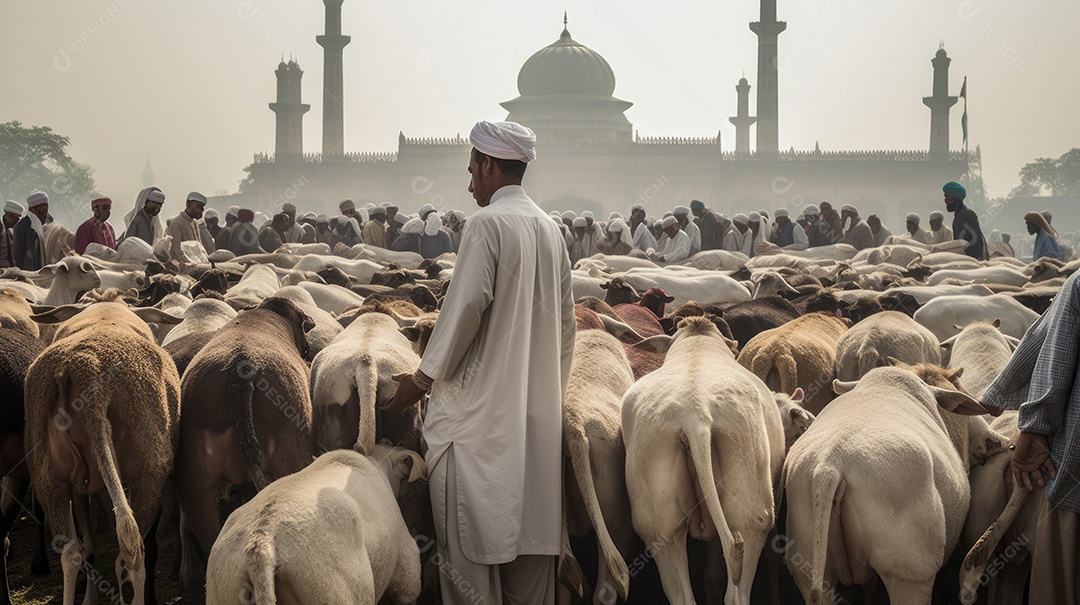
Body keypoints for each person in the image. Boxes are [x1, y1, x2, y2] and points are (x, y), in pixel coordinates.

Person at [385, 120, 572, 605]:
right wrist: (550, 397)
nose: (470, 185)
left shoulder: (486, 224)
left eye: (472, 171)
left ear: (489, 165)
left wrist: (421, 379)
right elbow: (567, 332)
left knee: (470, 579)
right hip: (536, 434)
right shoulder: (552, 231)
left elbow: (465, 307)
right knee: (532, 586)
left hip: (476, 431)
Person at [982, 269, 1080, 603]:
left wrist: (1035, 425)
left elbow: (1056, 349)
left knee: (1063, 579)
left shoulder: (1079, 285)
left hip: (1076, 471)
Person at [165, 191, 216, 263]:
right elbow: (176, 252)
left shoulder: (195, 223)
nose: (201, 210)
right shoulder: (177, 223)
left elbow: (198, 248)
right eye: (198, 207)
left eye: (202, 208)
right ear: (188, 204)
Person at [943, 181, 987, 260]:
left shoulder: (967, 214)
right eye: (945, 197)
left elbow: (975, 240)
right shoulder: (958, 216)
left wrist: (968, 258)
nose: (946, 201)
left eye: (949, 198)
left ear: (956, 199)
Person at [13, 192, 50, 270]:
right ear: (32, 210)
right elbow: (18, 254)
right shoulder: (21, 226)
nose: (44, 215)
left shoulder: (43, 225)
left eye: (46, 212)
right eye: (41, 212)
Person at [1, 200, 24, 268]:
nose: (16, 222)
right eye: (14, 219)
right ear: (9, 216)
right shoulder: (1, 230)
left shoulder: (10, 233)